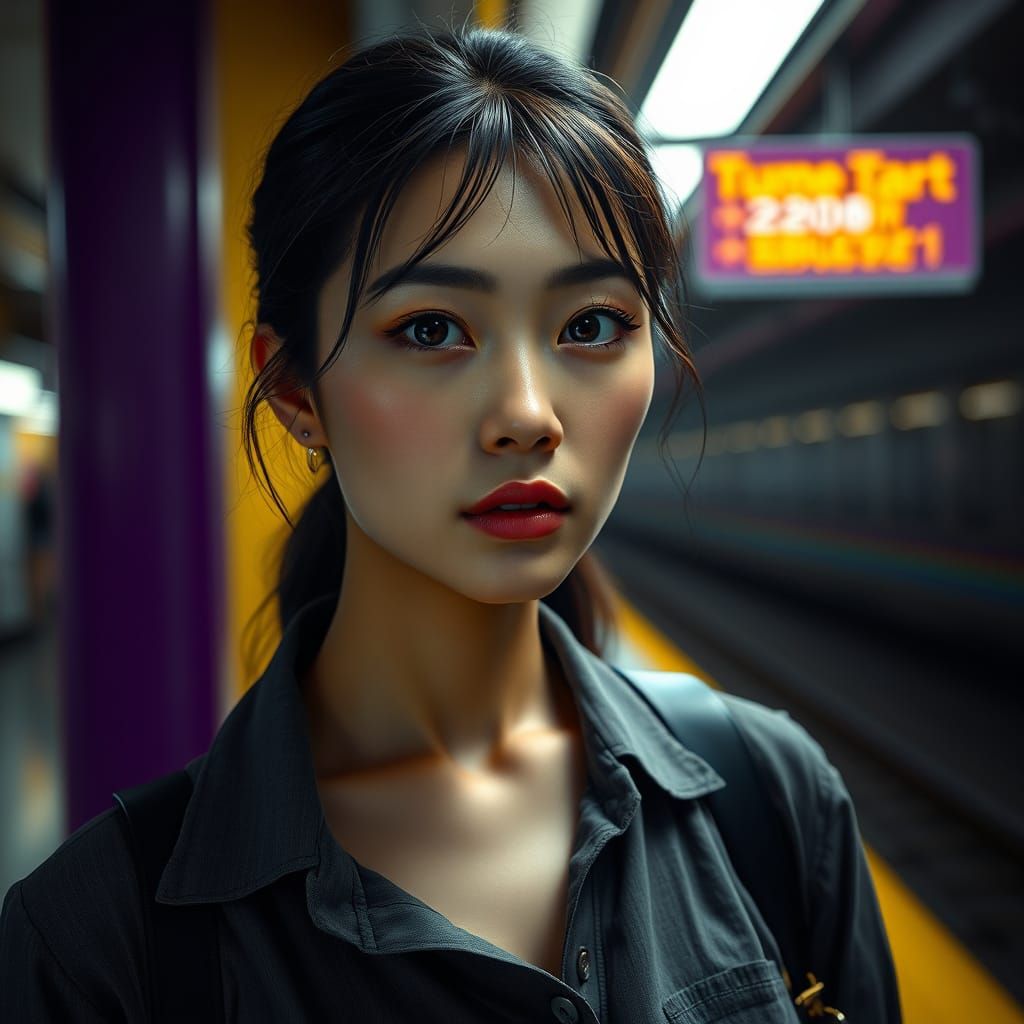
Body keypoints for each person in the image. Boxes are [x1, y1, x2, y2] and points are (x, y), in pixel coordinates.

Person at [0, 27, 900, 1022]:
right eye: (431, 328)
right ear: (295, 389)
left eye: (591, 323)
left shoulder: (769, 803)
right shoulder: (101, 941)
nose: (527, 412)